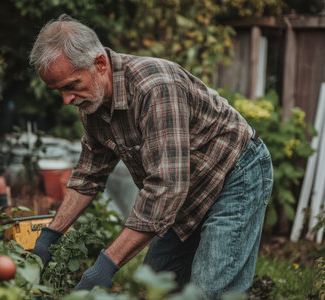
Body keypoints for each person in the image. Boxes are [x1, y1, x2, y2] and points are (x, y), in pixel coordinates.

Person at [30, 14, 274, 299]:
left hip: (234, 173)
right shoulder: (92, 103)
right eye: (58, 90)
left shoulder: (154, 88)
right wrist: (49, 238)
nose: (66, 99)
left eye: (71, 85)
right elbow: (88, 176)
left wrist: (103, 268)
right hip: (184, 189)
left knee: (208, 292)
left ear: (99, 64)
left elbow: (165, 189)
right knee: (155, 288)